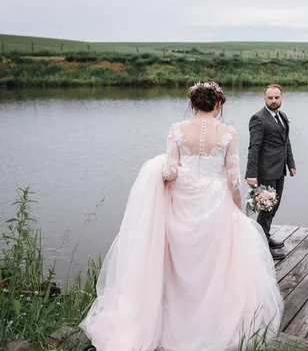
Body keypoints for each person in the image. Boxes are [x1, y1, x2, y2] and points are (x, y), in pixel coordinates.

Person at [80, 82, 284, 351]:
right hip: (215, 204)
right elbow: (233, 178)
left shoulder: (177, 129)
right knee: (213, 264)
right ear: (219, 104)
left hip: (182, 204)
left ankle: (173, 318)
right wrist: (237, 208)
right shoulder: (228, 132)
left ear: (193, 103)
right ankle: (210, 320)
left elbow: (169, 173)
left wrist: (158, 169)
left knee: (180, 264)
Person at [246, 84, 296, 261]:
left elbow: (286, 142)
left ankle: (265, 236)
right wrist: (251, 174)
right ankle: (261, 246)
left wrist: (291, 164)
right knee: (266, 209)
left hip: (279, 170)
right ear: (264, 99)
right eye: (270, 98)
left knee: (274, 208)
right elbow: (254, 148)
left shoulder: (281, 116)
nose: (274, 101)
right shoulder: (258, 119)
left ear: (281, 98)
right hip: (265, 171)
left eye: (277, 97)